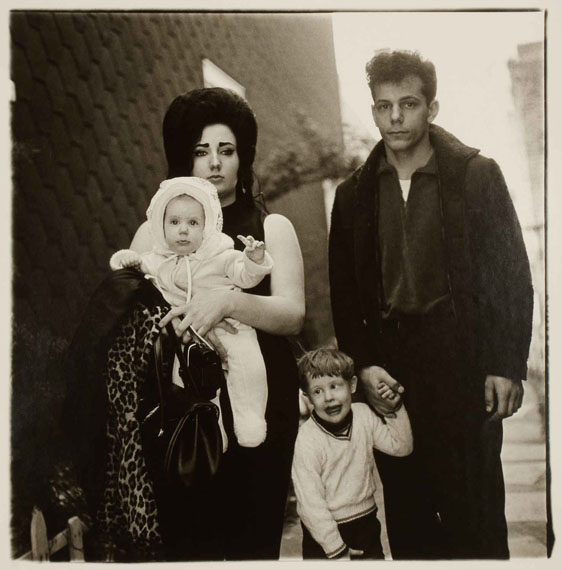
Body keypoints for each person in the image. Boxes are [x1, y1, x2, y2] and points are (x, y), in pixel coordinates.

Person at [328, 50, 533, 559]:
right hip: (392, 371)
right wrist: (365, 365)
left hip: (461, 361)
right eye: (383, 106)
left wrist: (505, 365)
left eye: (409, 103)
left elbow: (511, 276)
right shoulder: (353, 195)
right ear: (373, 110)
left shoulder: (475, 176)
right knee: (410, 515)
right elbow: (344, 293)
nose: (395, 117)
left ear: (432, 107)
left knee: (476, 515)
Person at [129, 87, 305, 560]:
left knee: (254, 543)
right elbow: (138, 320)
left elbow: (292, 314)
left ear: (242, 156)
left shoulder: (272, 228)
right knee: (192, 543)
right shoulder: (156, 231)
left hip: (262, 402)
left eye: (226, 150)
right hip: (183, 407)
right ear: (185, 157)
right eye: (201, 151)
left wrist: (228, 301)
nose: (214, 162)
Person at [110, 176, 273, 448]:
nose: (183, 230)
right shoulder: (158, 260)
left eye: (193, 223)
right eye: (174, 222)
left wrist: (254, 260)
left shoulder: (220, 254)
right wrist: (126, 261)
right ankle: (209, 433)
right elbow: (133, 274)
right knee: (185, 383)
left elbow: (245, 276)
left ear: (206, 227)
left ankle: (251, 419)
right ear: (161, 227)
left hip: (229, 326)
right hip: (184, 337)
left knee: (249, 365)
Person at [291, 348, 412, 560]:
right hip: (324, 535)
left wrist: (395, 409)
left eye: (335, 386)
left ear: (353, 385)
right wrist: (336, 550)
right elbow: (310, 506)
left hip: (366, 524)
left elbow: (401, 447)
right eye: (317, 391)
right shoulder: (306, 440)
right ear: (307, 396)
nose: (328, 397)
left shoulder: (364, 415)